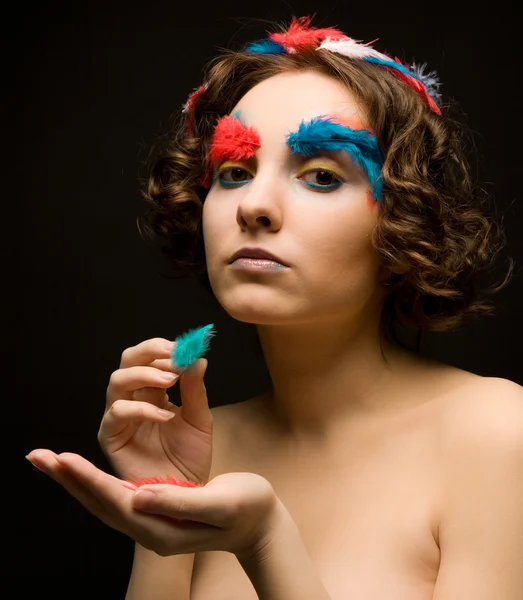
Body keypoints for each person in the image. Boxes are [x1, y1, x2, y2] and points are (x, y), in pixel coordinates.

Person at [27, 16, 523, 600]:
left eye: (319, 176)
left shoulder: (498, 435)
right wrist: (165, 502)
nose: (254, 206)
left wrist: (265, 541)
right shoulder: (200, 446)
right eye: (234, 172)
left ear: (405, 226)